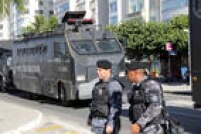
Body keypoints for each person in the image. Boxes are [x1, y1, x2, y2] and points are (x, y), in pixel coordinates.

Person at [126, 61, 164, 134]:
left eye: (128, 73)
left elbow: (155, 107)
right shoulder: (135, 87)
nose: (127, 76)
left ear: (136, 73)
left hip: (152, 129)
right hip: (141, 127)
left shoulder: (151, 84)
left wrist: (139, 124)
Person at [87, 59, 122, 134]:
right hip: (96, 122)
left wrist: (110, 124)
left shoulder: (114, 85)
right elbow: (94, 102)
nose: (97, 72)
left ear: (108, 70)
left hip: (106, 122)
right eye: (97, 70)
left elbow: (115, 107)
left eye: (100, 70)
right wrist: (90, 117)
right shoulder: (97, 85)